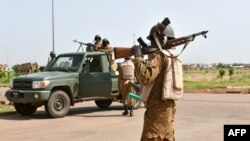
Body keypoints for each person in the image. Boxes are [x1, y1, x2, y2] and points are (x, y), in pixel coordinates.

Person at [132, 17, 180, 141]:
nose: (152, 44)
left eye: (153, 41)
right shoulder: (173, 56)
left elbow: (145, 77)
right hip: (168, 110)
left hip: (156, 113)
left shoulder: (160, 56)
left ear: (162, 39)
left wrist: (138, 57)